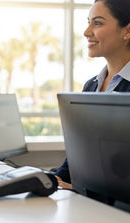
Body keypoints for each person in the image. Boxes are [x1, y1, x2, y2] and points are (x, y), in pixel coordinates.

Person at [55, 0, 130, 189]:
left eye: (97, 23)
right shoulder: (91, 86)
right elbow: (77, 158)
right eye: (88, 22)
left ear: (127, 31)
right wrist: (51, 180)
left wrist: (78, 190)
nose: (87, 32)